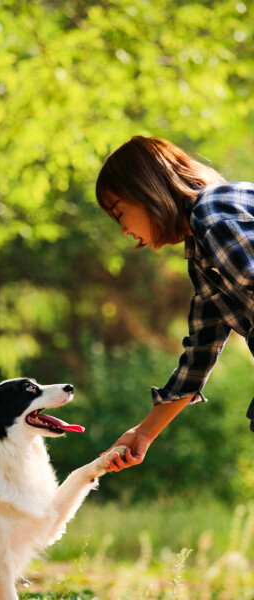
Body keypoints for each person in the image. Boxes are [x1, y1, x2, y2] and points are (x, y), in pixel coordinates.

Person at [95, 135, 254, 473]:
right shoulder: (201, 251)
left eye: (120, 213)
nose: (123, 229)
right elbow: (201, 350)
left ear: (145, 190)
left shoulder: (214, 213)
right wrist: (143, 432)